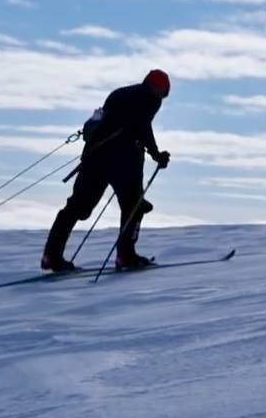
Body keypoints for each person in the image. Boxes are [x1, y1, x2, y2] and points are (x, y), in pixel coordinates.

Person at [42, 69, 173, 272]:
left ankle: (51, 255)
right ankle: (126, 256)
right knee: (134, 205)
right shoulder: (150, 98)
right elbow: (142, 125)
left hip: (94, 155)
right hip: (122, 159)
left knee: (78, 207)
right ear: (161, 89)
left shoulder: (120, 93)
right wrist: (156, 154)